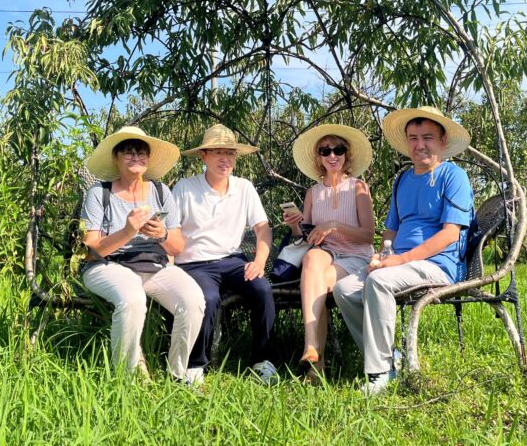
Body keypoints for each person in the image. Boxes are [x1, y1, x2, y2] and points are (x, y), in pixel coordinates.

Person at [333, 106, 474, 395]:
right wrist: (381, 254)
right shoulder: (403, 180)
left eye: (427, 137)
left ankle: (379, 374)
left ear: (442, 141)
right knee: (344, 289)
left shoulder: (454, 176)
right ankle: (390, 357)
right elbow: (391, 231)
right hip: (399, 263)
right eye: (413, 138)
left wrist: (400, 260)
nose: (420, 144)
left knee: (380, 281)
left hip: (438, 265)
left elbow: (450, 234)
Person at [80, 126, 205, 383]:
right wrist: (127, 231)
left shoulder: (161, 192)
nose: (136, 156)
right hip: (108, 266)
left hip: (153, 265)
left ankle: (178, 375)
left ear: (148, 159)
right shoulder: (99, 194)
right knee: (132, 297)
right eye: (128, 152)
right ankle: (127, 379)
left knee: (193, 300)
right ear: (115, 157)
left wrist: (161, 235)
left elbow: (177, 246)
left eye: (142, 152)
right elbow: (91, 251)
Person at [173, 124, 277, 385]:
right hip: (194, 263)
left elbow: (263, 229)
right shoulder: (185, 188)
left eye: (230, 154)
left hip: (232, 260)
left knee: (262, 290)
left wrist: (260, 261)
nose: (225, 159)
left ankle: (261, 361)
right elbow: (170, 232)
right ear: (203, 156)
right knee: (206, 298)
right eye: (218, 153)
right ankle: (196, 365)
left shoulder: (244, 188)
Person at [285, 124, 375, 382]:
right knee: (311, 257)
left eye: (338, 150)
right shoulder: (313, 192)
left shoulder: (358, 187)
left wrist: (334, 225)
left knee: (314, 282)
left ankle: (316, 365)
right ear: (319, 157)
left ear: (347, 155)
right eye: (326, 151)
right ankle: (312, 347)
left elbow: (368, 235)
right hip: (324, 255)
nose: (332, 156)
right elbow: (307, 237)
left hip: (355, 256)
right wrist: (295, 224)